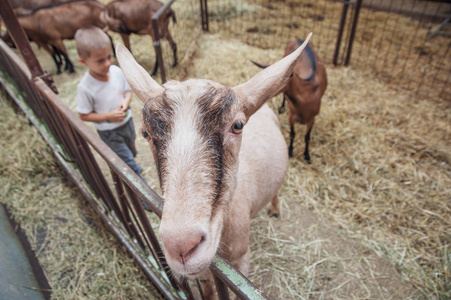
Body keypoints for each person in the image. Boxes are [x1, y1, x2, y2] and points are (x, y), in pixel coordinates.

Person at [74, 26, 145, 182]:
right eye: (100, 60)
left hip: (127, 123)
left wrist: (126, 103)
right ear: (83, 61)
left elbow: (127, 92)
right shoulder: (85, 87)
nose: (107, 63)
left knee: (131, 150)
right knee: (125, 161)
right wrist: (108, 116)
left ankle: (132, 167)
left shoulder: (116, 72)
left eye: (109, 56)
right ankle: (138, 185)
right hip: (109, 132)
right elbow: (83, 115)